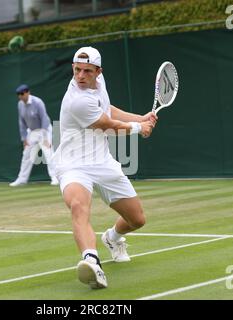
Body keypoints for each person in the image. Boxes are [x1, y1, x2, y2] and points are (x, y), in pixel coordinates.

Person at [52, 47, 158, 289]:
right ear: (72, 69)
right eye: (77, 70)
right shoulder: (76, 101)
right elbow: (106, 125)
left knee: (137, 220)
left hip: (103, 162)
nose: (80, 76)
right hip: (73, 165)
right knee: (79, 206)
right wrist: (138, 129)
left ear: (98, 72)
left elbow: (108, 110)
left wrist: (139, 118)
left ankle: (112, 238)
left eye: (87, 71)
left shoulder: (99, 84)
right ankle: (91, 261)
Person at [10, 84, 58, 187]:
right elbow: (21, 122)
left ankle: (55, 178)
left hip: (43, 130)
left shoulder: (38, 102)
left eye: (22, 94)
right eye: (18, 94)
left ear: (28, 92)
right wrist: (24, 138)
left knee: (48, 154)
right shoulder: (20, 105)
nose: (20, 96)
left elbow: (44, 119)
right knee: (26, 155)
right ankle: (22, 179)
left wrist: (45, 138)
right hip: (31, 132)